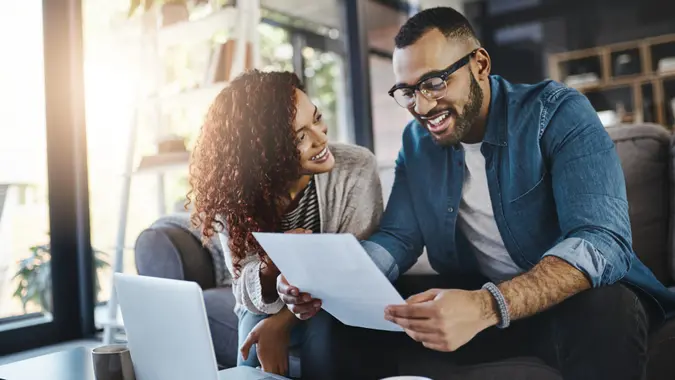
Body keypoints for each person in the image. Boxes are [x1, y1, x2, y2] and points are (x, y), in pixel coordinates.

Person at [277, 6, 675, 380]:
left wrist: (488, 305)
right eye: (407, 91)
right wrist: (329, 281)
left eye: (434, 82)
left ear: (479, 65)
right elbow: (398, 238)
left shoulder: (557, 113)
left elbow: (601, 240)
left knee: (608, 307)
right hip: (479, 302)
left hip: (562, 306)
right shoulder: (416, 143)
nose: (422, 105)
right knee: (335, 322)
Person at [187, 70, 384, 379]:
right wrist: (270, 266)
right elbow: (244, 291)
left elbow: (354, 270)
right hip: (268, 302)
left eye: (317, 119)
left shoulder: (356, 168)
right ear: (264, 154)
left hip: (335, 301)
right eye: (300, 138)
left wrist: (279, 325)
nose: (321, 139)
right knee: (252, 330)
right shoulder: (234, 195)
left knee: (322, 329)